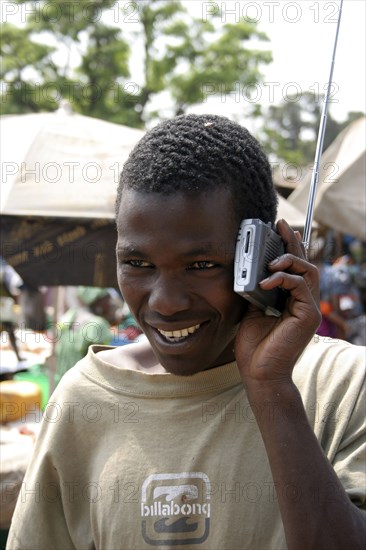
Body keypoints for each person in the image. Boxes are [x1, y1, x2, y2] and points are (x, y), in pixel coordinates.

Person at [6, 115, 365, 549]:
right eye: (138, 264)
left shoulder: (344, 386)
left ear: (267, 256)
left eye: (201, 266)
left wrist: (270, 387)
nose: (165, 302)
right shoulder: (84, 398)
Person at [55, 286, 114, 384]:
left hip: (62, 385)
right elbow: (103, 365)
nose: (110, 303)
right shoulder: (98, 325)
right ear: (98, 301)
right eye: (107, 299)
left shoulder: (70, 317)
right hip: (83, 388)